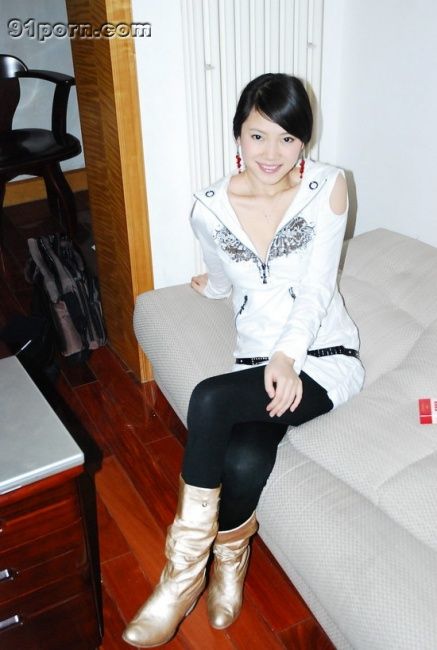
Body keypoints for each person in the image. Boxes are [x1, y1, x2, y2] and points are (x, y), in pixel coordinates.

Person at [123, 73, 365, 647]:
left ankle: (179, 578)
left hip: (322, 356)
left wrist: (286, 357)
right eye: (258, 136)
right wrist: (209, 287)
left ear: (304, 140)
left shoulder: (328, 187)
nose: (272, 154)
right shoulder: (209, 208)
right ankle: (229, 564)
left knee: (210, 399)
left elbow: (317, 289)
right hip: (256, 359)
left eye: (288, 138)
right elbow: (224, 273)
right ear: (238, 135)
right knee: (245, 454)